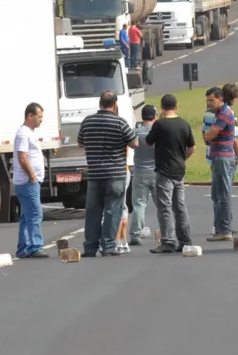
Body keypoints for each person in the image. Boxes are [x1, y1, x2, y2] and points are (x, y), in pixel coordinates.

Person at [78, 90, 138, 257]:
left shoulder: (87, 121)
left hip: (95, 174)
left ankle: (90, 247)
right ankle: (108, 246)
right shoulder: (120, 122)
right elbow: (135, 143)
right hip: (115, 173)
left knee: (93, 211)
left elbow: (80, 142)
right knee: (113, 210)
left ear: (100, 103)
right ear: (114, 104)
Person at [146, 94, 196, 253]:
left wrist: (156, 122)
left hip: (164, 170)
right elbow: (192, 147)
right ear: (176, 107)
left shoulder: (160, 125)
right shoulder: (184, 124)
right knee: (180, 206)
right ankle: (185, 239)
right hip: (179, 170)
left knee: (165, 206)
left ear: (162, 107)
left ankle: (168, 241)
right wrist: (182, 159)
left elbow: (148, 143)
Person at [204, 82, 238, 242]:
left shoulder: (224, 114)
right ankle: (220, 228)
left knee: (223, 195)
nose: (209, 103)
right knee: (217, 194)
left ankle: (224, 229)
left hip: (223, 157)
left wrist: (208, 135)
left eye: (211, 100)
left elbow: (209, 135)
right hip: (218, 156)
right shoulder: (219, 113)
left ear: (220, 99)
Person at [13, 102, 49, 259]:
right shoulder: (23, 134)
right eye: (39, 116)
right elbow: (22, 157)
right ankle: (34, 246)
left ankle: (24, 247)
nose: (41, 120)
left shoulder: (29, 132)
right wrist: (32, 176)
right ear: (30, 116)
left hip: (29, 181)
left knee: (27, 215)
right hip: (27, 181)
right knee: (35, 213)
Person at [129, 104, 159, 246]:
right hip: (156, 171)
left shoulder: (136, 132)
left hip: (140, 171)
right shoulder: (159, 132)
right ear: (154, 116)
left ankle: (135, 234)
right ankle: (166, 232)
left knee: (139, 204)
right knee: (162, 205)